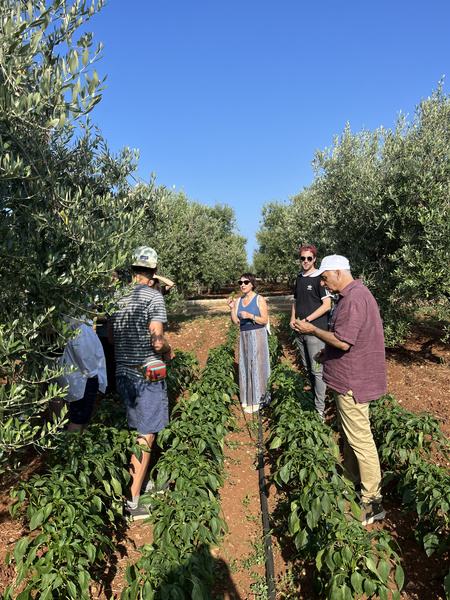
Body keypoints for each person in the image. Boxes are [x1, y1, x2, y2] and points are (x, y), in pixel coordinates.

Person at [293, 255, 387, 525]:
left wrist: (312, 330)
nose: (323, 283)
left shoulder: (354, 298)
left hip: (352, 382)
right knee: (350, 436)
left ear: (337, 272)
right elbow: (349, 340)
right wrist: (328, 352)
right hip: (349, 377)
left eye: (324, 278)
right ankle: (351, 480)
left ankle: (372, 502)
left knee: (361, 440)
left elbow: (344, 342)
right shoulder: (353, 296)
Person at [109, 246, 174, 521]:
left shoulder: (116, 296)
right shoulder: (154, 297)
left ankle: (136, 483)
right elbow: (157, 342)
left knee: (137, 428)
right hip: (146, 375)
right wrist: (168, 350)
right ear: (154, 270)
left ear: (132, 268)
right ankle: (133, 502)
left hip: (122, 373)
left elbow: (111, 339)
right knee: (146, 435)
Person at [289, 245, 331, 421]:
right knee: (308, 368)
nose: (305, 261)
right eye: (302, 258)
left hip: (315, 331)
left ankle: (319, 410)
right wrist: (293, 318)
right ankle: (315, 400)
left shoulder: (320, 278)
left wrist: (307, 320)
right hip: (300, 330)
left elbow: (327, 305)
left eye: (308, 258)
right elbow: (296, 301)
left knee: (317, 370)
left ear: (314, 259)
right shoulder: (299, 278)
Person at [53, 315, 107, 434]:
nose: (95, 310)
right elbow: (83, 353)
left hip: (80, 377)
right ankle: (72, 445)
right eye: (92, 307)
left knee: (82, 416)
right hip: (84, 379)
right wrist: (93, 374)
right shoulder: (82, 327)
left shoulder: (76, 324)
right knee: (78, 418)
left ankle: (77, 443)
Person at [227, 273, 271, 414]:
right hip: (244, 334)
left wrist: (251, 316)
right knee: (245, 364)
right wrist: (232, 308)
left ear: (252, 284)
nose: (242, 285)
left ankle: (259, 399)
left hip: (257, 333)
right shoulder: (238, 301)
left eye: (246, 282)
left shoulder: (259, 299)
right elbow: (235, 321)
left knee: (257, 364)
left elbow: (264, 320)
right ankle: (247, 397)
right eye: (240, 282)